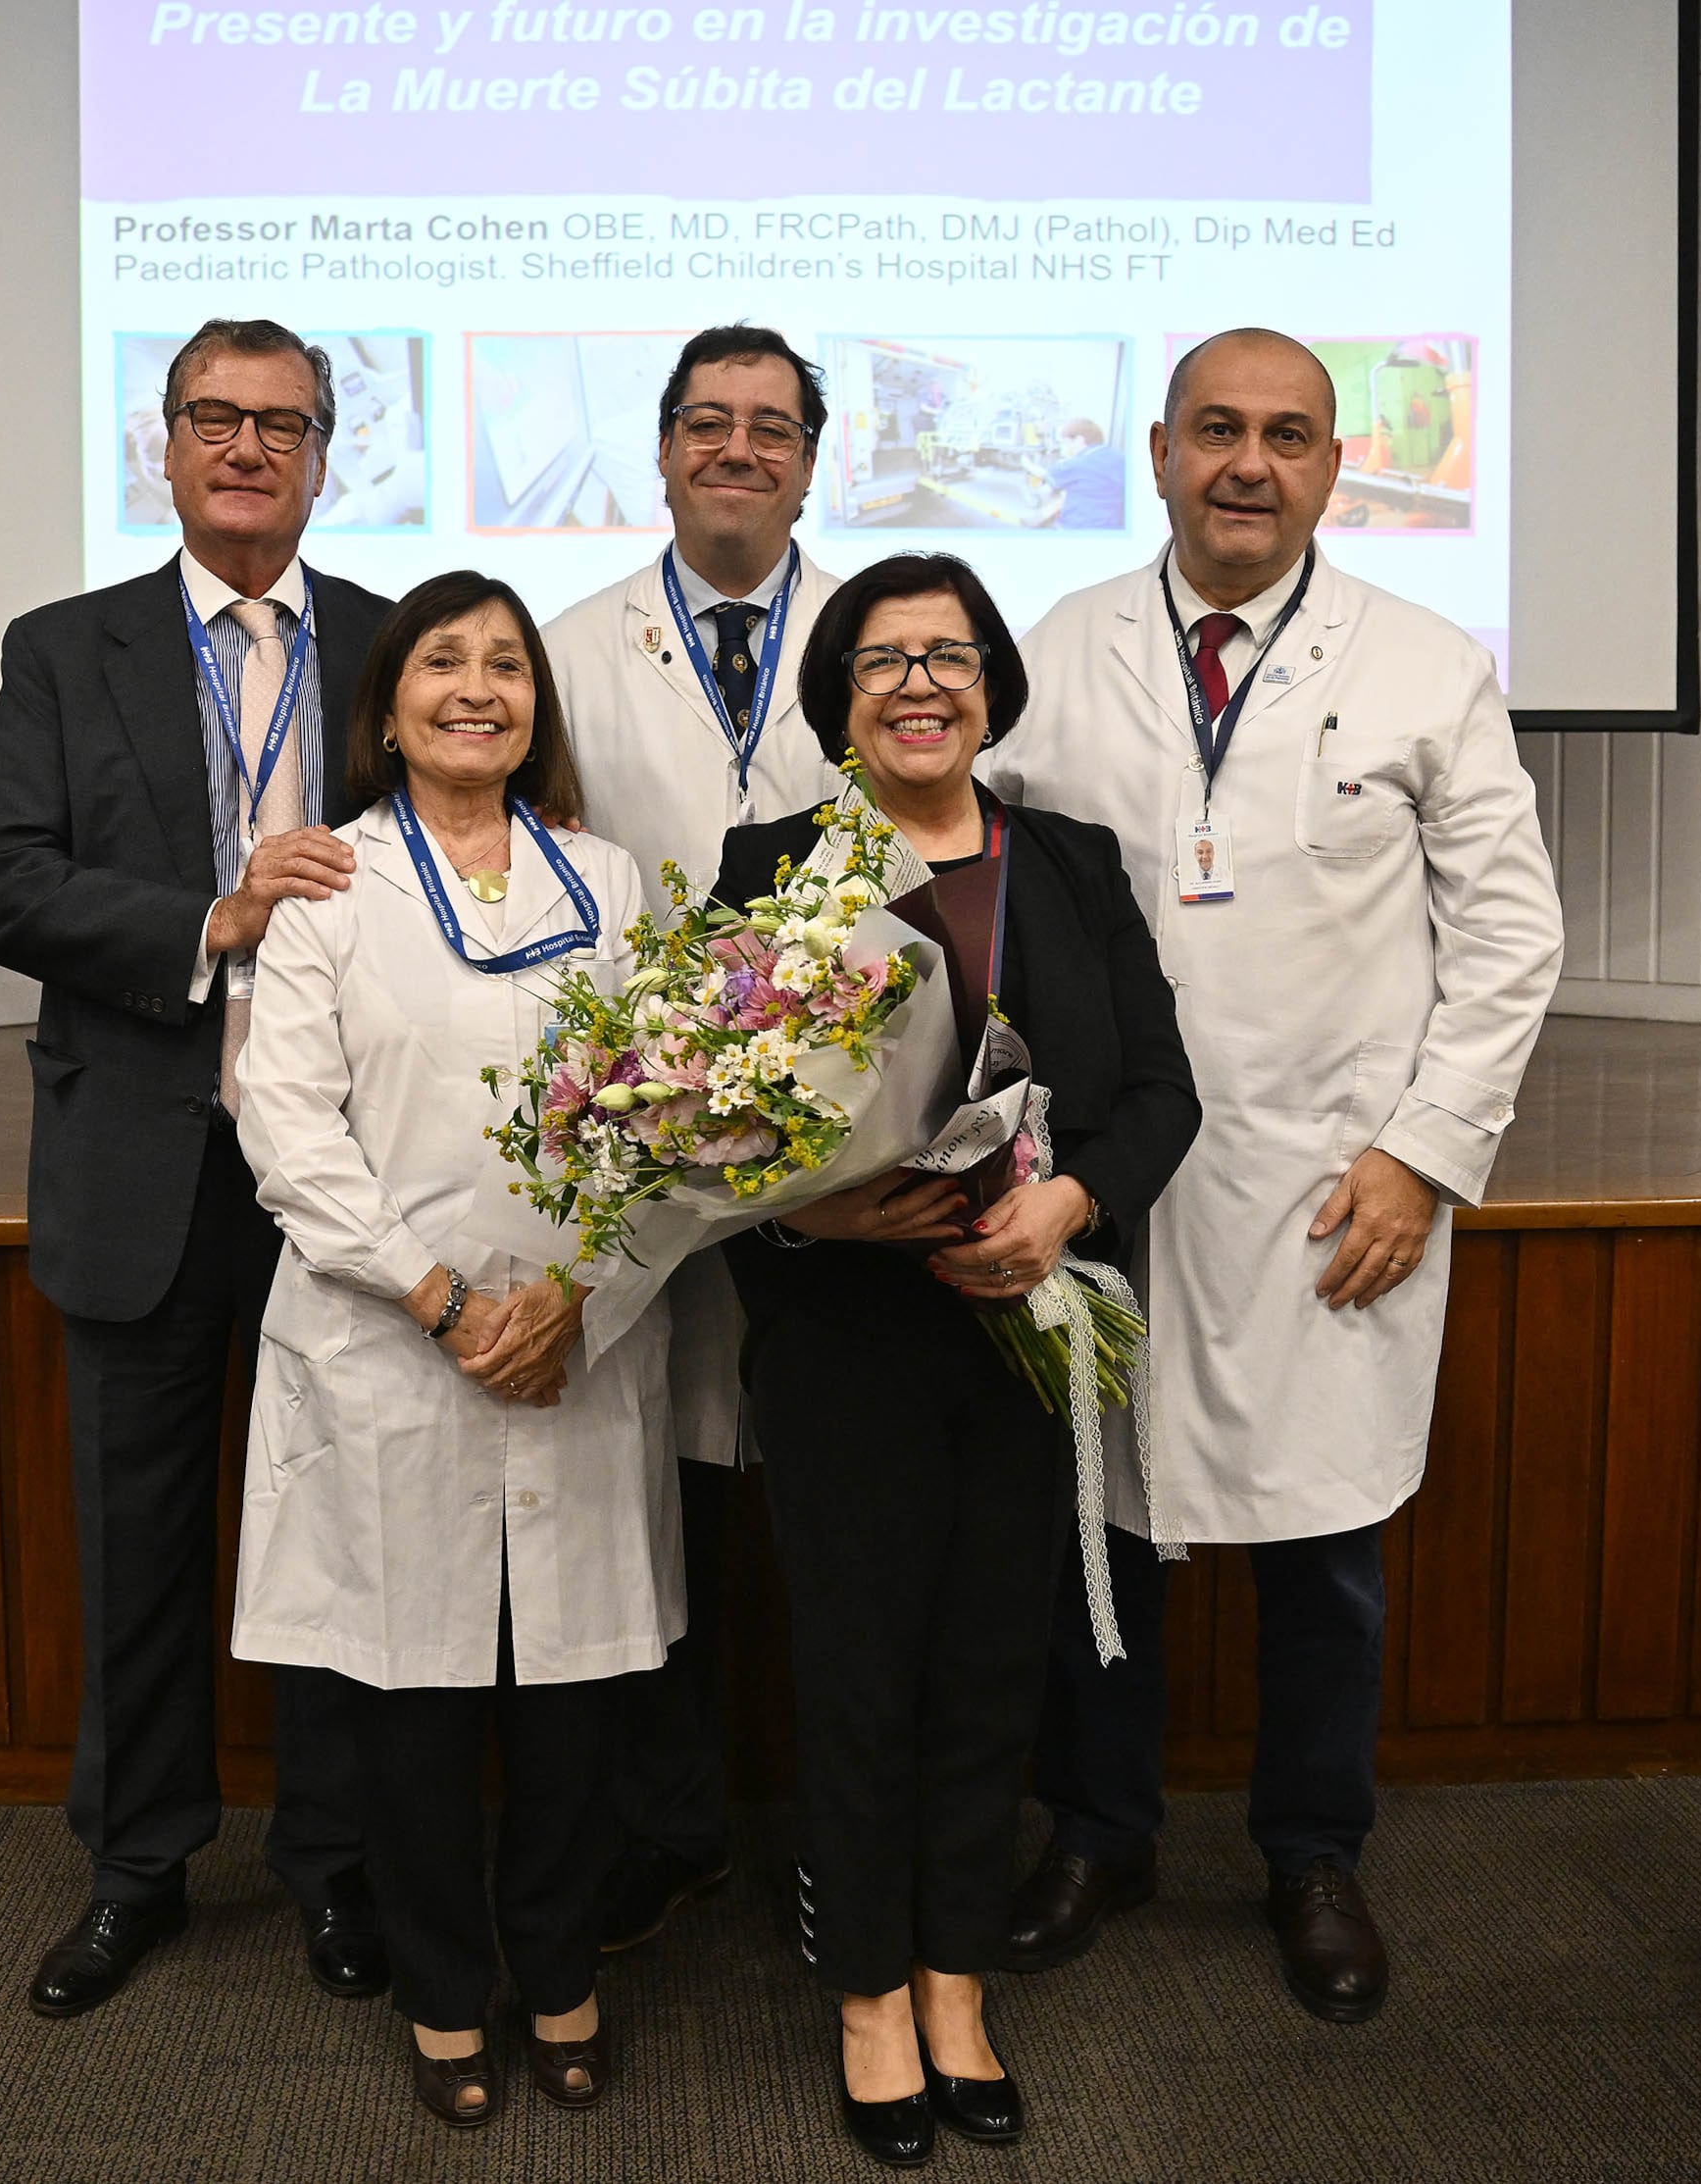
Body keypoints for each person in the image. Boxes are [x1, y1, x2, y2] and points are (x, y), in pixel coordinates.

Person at [982, 328, 1563, 2025]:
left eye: (1288, 436)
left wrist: (1424, 1154)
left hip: (1334, 1186)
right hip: (1104, 1186)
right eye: (1217, 430)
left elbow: (1511, 935)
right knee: (1096, 1531)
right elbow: (976, 892)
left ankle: (1314, 1853)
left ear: (1330, 467)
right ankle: (1100, 1832)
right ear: (1157, 450)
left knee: (1323, 1549)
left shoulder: (1423, 664)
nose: (1251, 462)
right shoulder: (1059, 655)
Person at [718, 553, 1200, 2165]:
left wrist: (1065, 1204)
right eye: (882, 660)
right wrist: (826, 1216)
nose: (919, 683)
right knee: (860, 1677)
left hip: (1024, 1329)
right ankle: (864, 1994)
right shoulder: (770, 863)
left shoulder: (1067, 858)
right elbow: (707, 1141)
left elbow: (1158, 1094)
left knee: (994, 1666)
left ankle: (954, 1981)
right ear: (838, 697)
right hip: (847, 1339)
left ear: (991, 679)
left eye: (948, 655)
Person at [0, 318, 393, 2018]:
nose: (246, 445)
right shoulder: (67, 650)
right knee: (139, 1543)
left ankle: (337, 1866)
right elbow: (5, 884)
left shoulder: (385, 647)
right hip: (143, 1160)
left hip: (337, 1175)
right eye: (215, 415)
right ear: (165, 443)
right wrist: (210, 918)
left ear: (322, 455)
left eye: (282, 423)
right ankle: (137, 1868)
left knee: (346, 1532)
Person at [229, 572, 678, 2129]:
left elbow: (668, 1118)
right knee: (412, 1702)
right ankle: (439, 1988)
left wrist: (573, 1296)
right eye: (443, 661)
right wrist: (437, 1297)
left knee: (569, 1702)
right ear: (390, 699)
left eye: (506, 663)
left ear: (539, 700)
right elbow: (285, 1127)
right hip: (390, 1345)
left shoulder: (613, 885)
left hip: (574, 1346)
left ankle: (558, 1974)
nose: (477, 687)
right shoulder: (328, 885)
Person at [542, 327, 849, 1953]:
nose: (740, 448)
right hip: (637, 1143)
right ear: (660, 451)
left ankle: (827, 1843)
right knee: (648, 1496)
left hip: (833, 1163)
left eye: (772, 427)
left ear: (813, 459)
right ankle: (664, 1827)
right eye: (708, 424)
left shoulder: (885, 645)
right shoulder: (567, 647)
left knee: (819, 1510)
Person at [1038, 418, 1125, 530]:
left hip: (1078, 527)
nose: (1067, 448)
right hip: (1115, 527)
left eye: (1067, 443)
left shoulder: (1076, 463)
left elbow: (1045, 491)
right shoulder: (1119, 457)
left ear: (1079, 440)